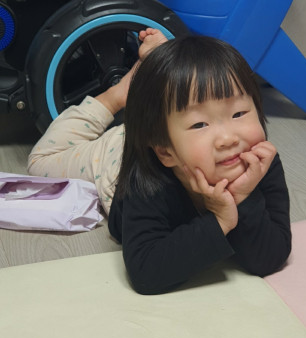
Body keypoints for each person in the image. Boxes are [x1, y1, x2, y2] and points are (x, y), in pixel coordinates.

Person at [29, 31, 291, 295]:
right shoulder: (147, 181)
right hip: (115, 156)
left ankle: (160, 75)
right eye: (200, 124)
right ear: (166, 153)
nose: (228, 138)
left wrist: (243, 198)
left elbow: (270, 257)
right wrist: (220, 219)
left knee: (173, 104)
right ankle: (119, 94)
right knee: (41, 164)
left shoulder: (259, 162)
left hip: (169, 136)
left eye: (239, 113)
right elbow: (145, 272)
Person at [27, 28, 168, 213]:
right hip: (124, 154)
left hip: (121, 154)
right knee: (40, 163)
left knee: (41, 162)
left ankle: (119, 94)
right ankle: (119, 95)